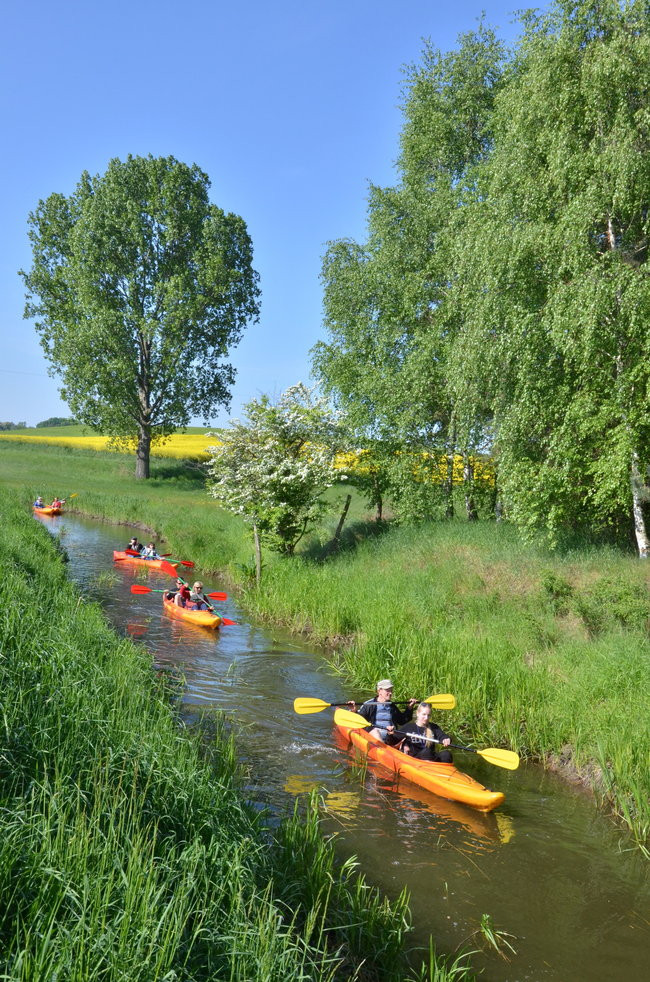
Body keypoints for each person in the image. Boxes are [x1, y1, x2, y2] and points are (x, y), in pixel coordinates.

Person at [352, 680, 417, 743]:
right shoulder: (369, 704)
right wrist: (354, 711)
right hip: (374, 737)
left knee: (409, 731)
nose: (390, 693)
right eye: (387, 690)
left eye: (391, 690)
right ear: (379, 691)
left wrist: (409, 707)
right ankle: (383, 747)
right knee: (375, 731)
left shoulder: (392, 706)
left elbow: (402, 721)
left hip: (390, 736)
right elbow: (359, 720)